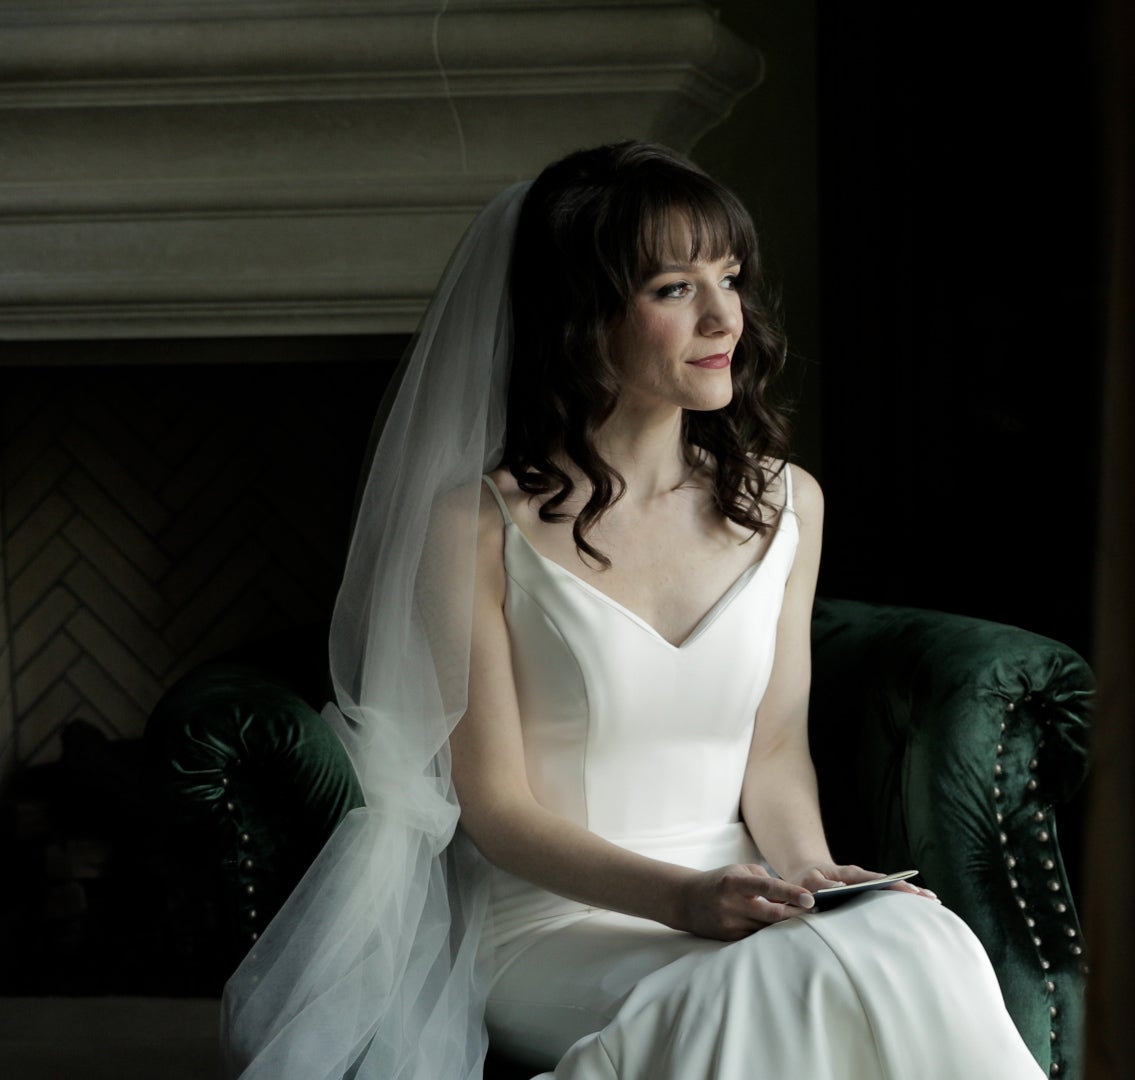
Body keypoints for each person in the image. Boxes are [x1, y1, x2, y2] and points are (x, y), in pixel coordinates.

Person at [220, 141, 1044, 1079]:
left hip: (747, 896)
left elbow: (773, 749)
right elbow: (494, 808)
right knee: (771, 985)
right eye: (672, 288)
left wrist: (811, 872)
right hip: (550, 922)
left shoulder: (788, 505)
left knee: (914, 939)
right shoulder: (476, 527)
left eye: (729, 277)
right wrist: (684, 899)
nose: (722, 315)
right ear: (580, 319)